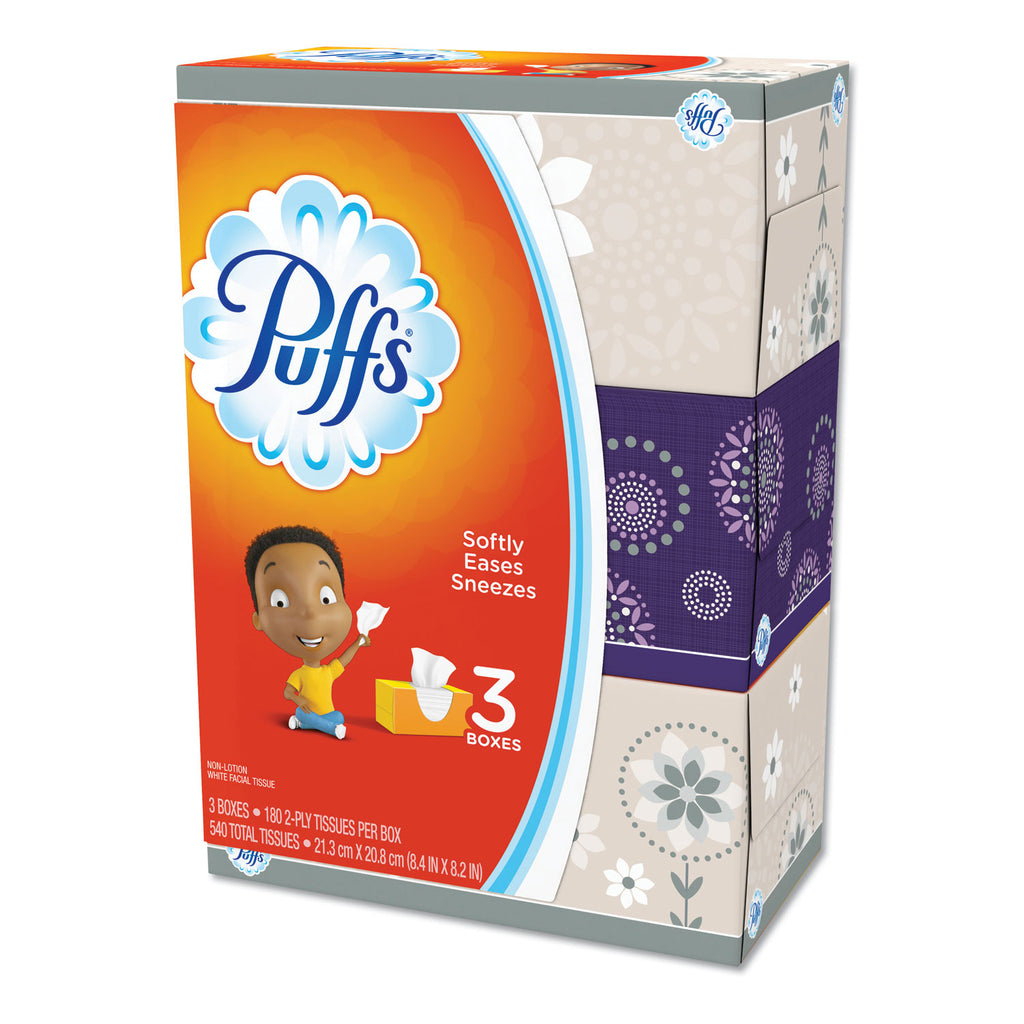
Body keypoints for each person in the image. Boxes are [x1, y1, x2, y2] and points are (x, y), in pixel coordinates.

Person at [245, 525, 369, 740]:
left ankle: (304, 723)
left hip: (323, 713)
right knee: (320, 718)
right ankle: (327, 728)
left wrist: (358, 642)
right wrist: (299, 700)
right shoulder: (300, 674)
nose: (310, 614)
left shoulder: (328, 672)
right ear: (258, 620)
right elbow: (287, 692)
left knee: (338, 716)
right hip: (306, 709)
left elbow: (344, 660)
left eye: (326, 598)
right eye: (280, 601)